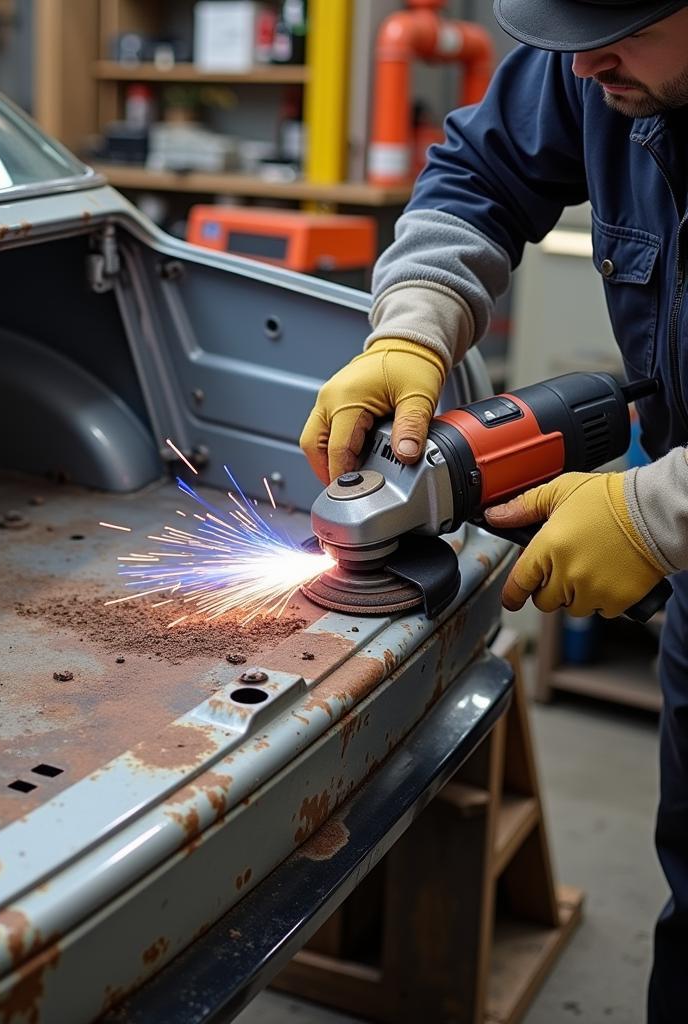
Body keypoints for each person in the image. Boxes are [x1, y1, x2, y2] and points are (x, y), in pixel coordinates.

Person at [299, 0, 688, 1018]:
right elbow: (480, 174)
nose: (585, 61)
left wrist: (660, 513)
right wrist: (414, 329)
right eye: (566, 30)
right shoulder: (591, 56)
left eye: (625, 29)